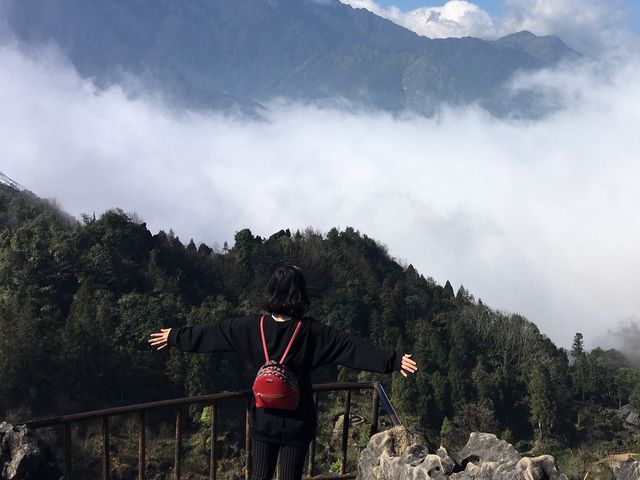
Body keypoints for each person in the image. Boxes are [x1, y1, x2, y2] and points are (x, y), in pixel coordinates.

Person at [149, 265, 417, 480]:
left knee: (259, 475)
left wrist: (175, 336)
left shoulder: (251, 327)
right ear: (299, 295)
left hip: (263, 418)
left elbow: (213, 333)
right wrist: (393, 361)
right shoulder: (312, 332)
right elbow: (351, 348)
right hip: (296, 422)